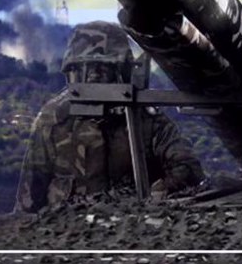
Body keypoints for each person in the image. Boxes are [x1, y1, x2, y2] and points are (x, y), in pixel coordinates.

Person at [15, 21, 204, 213]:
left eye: (101, 69)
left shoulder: (147, 119)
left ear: (121, 71)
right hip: (67, 233)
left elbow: (188, 168)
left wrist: (156, 194)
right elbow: (29, 197)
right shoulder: (55, 119)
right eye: (83, 69)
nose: (92, 77)